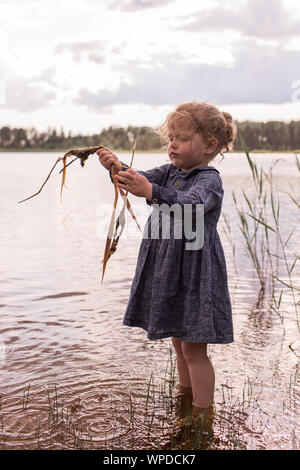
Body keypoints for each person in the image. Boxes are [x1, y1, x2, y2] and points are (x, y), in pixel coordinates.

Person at [97, 101, 237, 427]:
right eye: (171, 137)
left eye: (182, 138)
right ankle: (184, 396)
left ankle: (203, 414)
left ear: (210, 146)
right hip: (169, 268)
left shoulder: (209, 180)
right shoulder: (168, 171)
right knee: (178, 341)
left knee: (194, 349)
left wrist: (152, 192)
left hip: (194, 274)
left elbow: (192, 204)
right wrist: (115, 167)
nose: (173, 144)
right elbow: (136, 180)